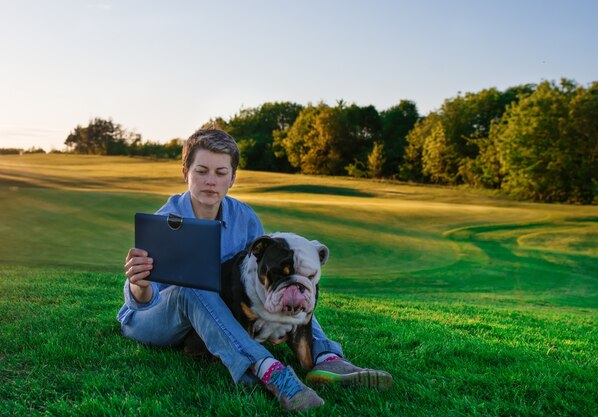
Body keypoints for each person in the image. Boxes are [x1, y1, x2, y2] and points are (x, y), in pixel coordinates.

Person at [117, 129, 392, 413]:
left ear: (232, 178)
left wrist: (272, 315)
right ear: (185, 171)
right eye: (201, 171)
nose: (211, 181)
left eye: (221, 172)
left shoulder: (244, 217)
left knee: (288, 284)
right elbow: (144, 301)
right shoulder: (166, 220)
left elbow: (258, 283)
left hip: (211, 319)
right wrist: (140, 284)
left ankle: (326, 357)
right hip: (154, 320)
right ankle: (270, 371)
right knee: (192, 285)